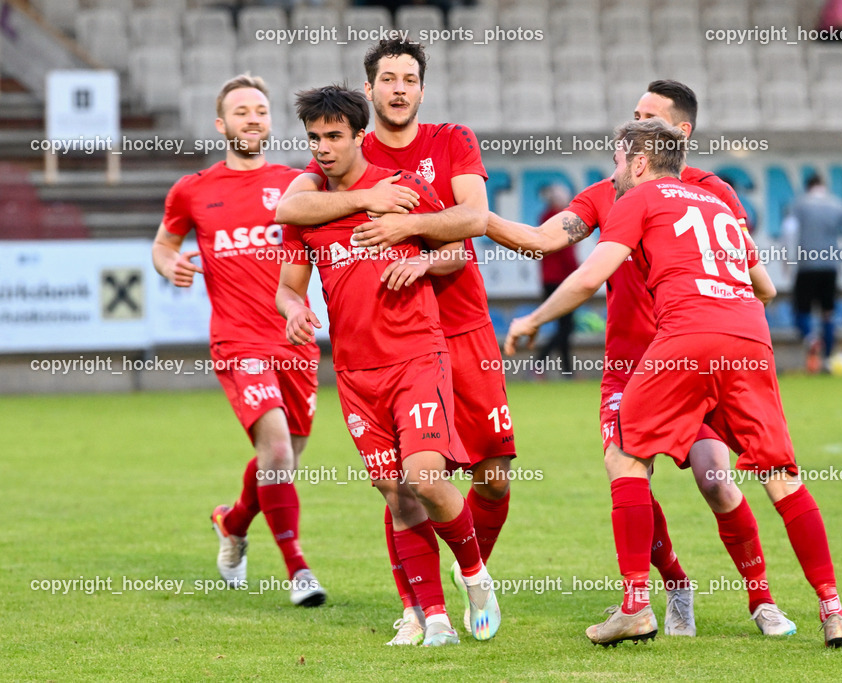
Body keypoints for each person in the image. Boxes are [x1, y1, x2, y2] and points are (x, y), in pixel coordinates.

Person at [506, 119, 842, 649]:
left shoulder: (637, 200)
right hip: (750, 339)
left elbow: (586, 277)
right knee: (780, 475)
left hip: (685, 339)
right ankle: (833, 610)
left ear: (639, 162)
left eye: (619, 160)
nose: (615, 171)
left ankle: (635, 607)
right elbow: (763, 287)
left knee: (624, 456)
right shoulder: (717, 202)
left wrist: (532, 320)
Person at [275, 39, 516, 645]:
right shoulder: (313, 201)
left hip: (432, 344)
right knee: (397, 491)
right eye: (388, 78)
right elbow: (288, 245)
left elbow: (467, 232)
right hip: (356, 372)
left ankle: (474, 575)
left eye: (410, 78)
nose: (326, 146)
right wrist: (294, 308)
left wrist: (415, 247)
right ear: (372, 89)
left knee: (463, 477)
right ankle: (427, 614)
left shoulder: (418, 171)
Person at [151, 74, 325, 607]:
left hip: (294, 339)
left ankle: (232, 521)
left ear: (270, 121)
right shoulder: (193, 189)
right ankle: (299, 572)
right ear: (221, 124)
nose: (252, 118)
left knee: (286, 459)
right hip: (238, 340)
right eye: (240, 111)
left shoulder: (300, 184)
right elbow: (163, 245)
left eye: (260, 110)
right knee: (274, 448)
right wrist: (171, 264)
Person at [783, 173, 842, 373]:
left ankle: (810, 339)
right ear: (823, 186)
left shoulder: (799, 205)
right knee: (828, 311)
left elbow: (789, 232)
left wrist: (787, 260)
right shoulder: (838, 205)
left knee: (802, 309)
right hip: (830, 266)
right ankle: (827, 358)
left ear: (807, 186)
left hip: (806, 265)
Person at [536, 183, 579, 377]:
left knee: (563, 327)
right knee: (566, 327)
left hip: (548, 280)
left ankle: (565, 370)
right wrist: (582, 273)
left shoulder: (543, 219)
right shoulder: (563, 219)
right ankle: (542, 365)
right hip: (563, 280)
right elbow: (567, 253)